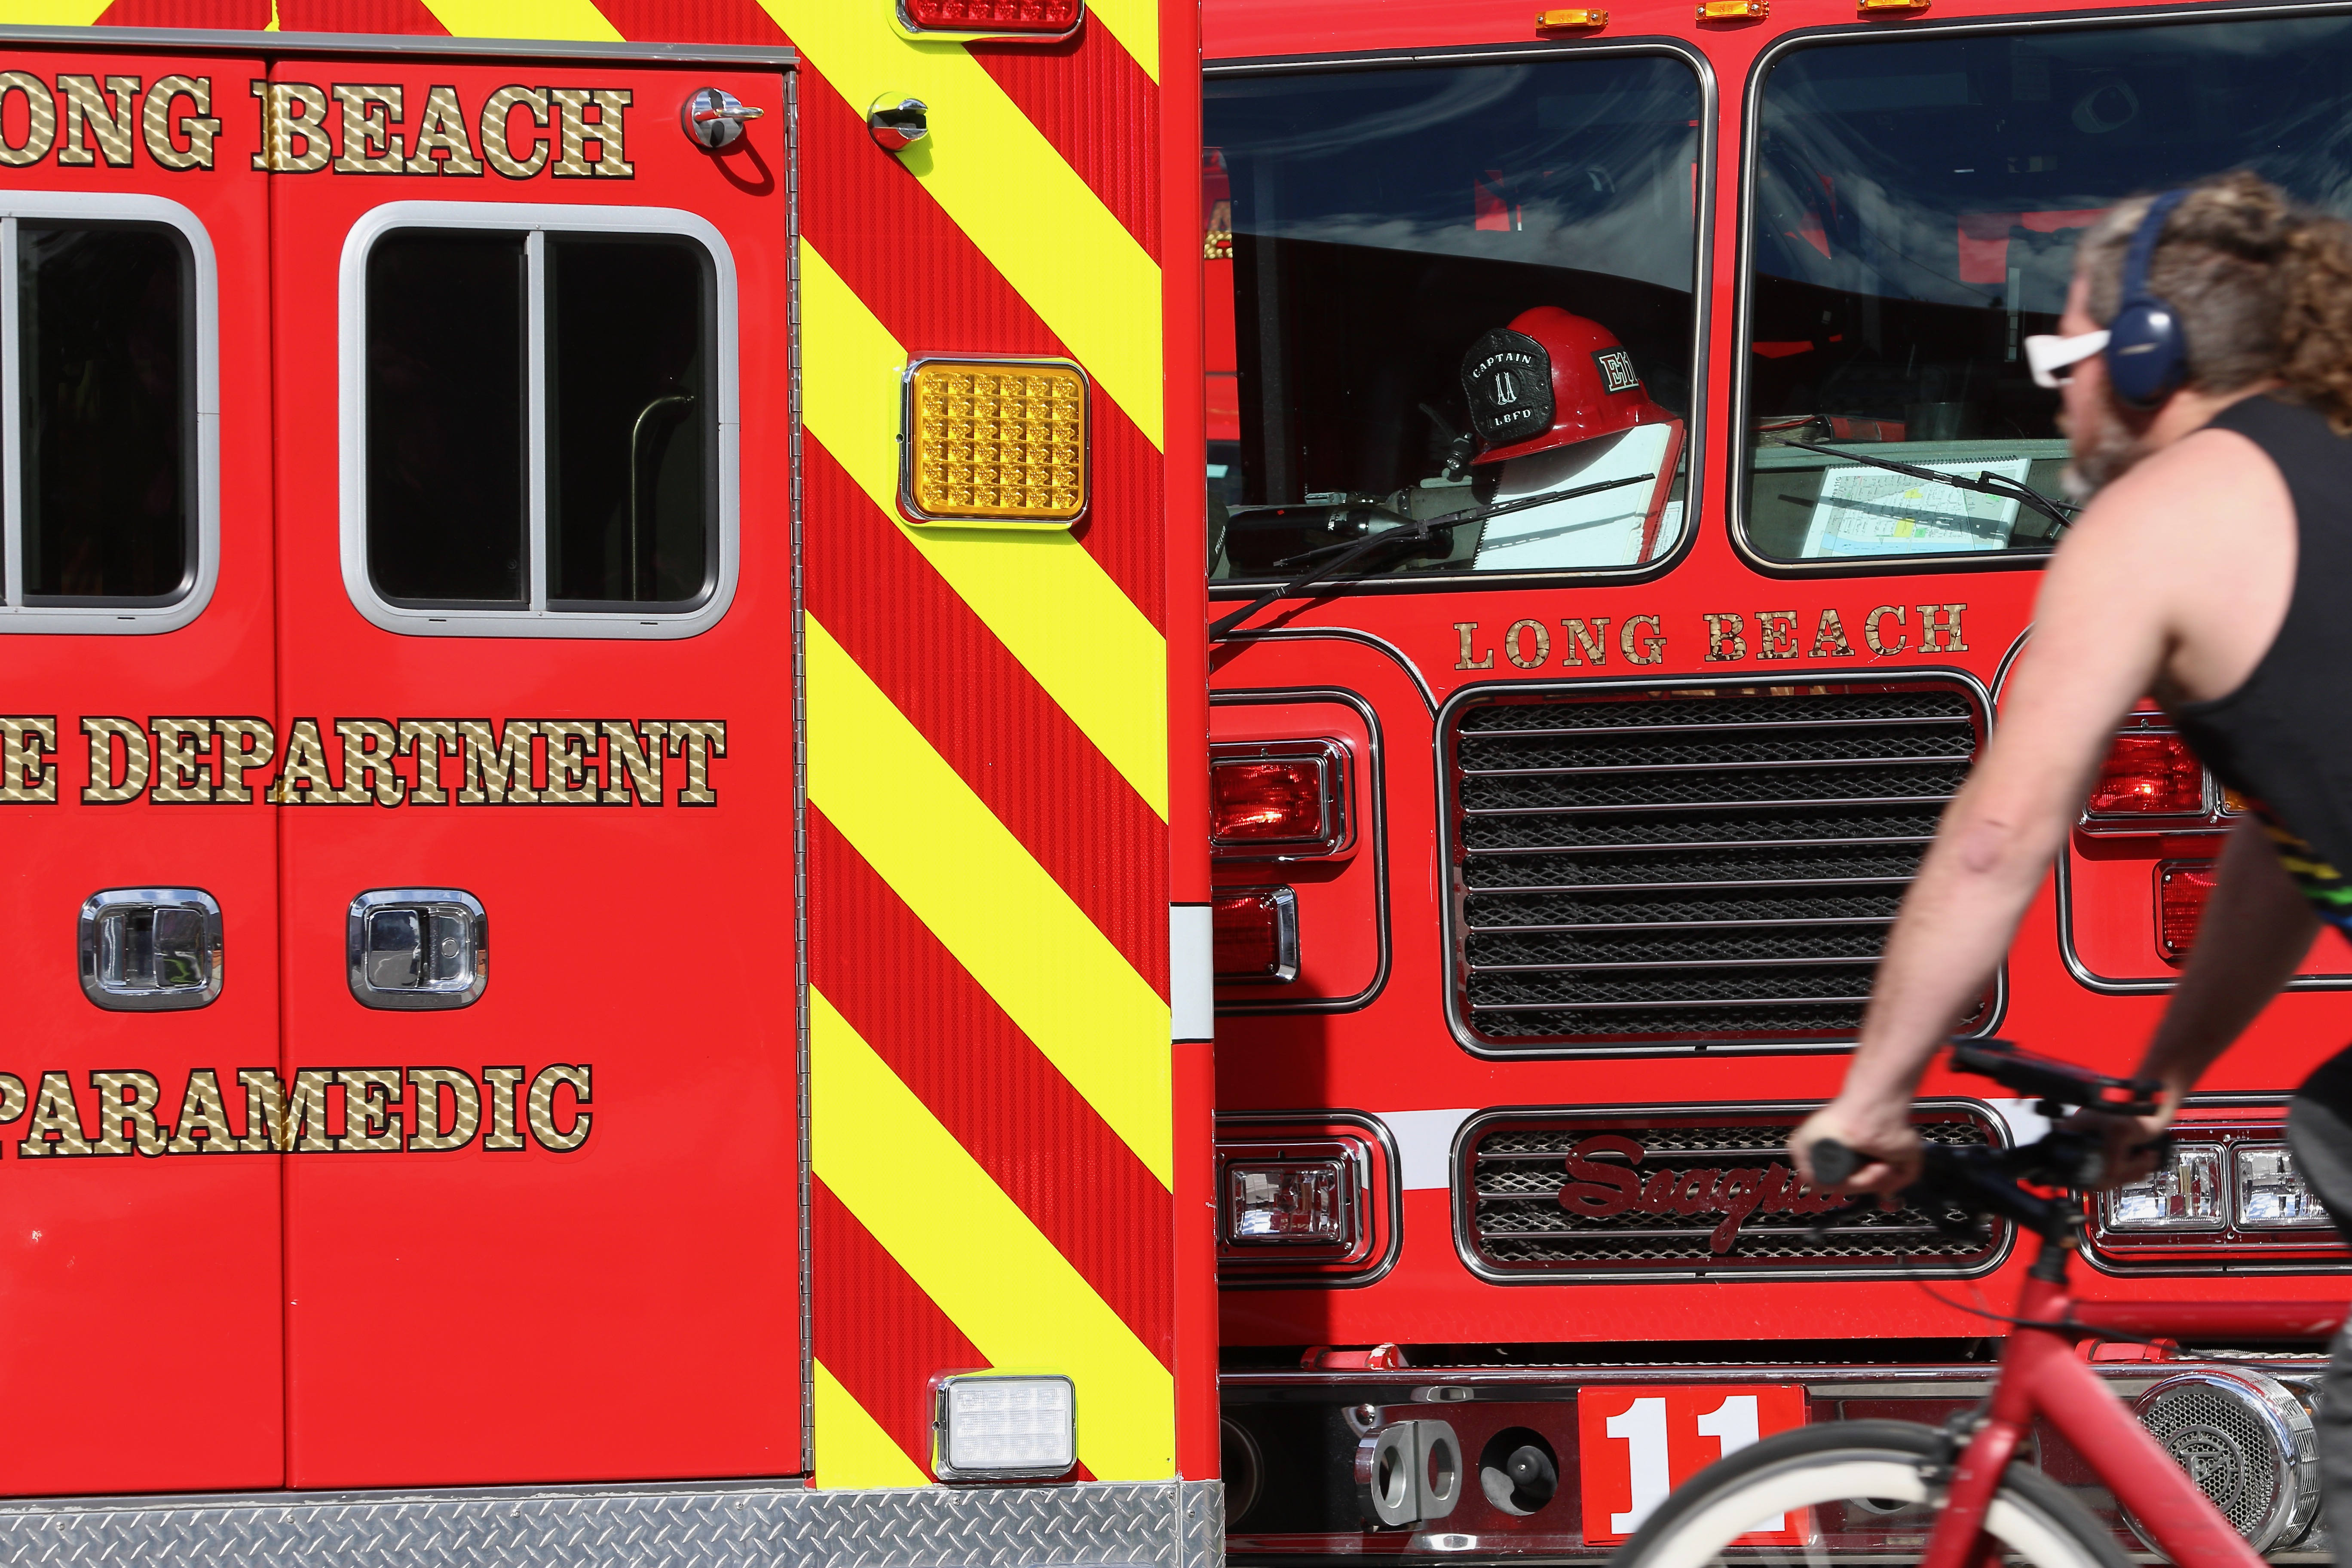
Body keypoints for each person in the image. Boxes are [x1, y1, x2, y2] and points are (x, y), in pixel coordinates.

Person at [1787, 167, 2352, 1536]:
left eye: (2065, 354)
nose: (2056, 396)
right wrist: (2161, 1080)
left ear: (2150, 354)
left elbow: (1995, 839)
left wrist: (1871, 1094)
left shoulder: (2156, 520)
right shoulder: (2317, 481)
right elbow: (2292, 854)